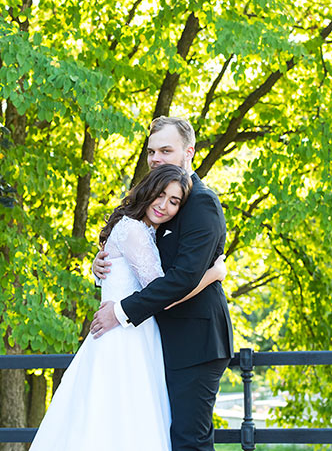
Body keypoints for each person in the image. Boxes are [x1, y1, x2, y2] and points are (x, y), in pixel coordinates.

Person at [29, 164, 226, 451]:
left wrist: (96, 271)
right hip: (127, 337)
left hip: (130, 332)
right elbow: (164, 292)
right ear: (148, 191)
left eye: (174, 202)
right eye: (160, 195)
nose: (164, 206)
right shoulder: (134, 231)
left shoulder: (138, 229)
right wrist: (213, 275)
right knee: (125, 421)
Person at [90, 116, 234, 451]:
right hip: (157, 341)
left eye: (166, 150)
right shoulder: (154, 204)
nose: (156, 158)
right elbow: (130, 256)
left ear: (189, 153)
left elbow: (181, 279)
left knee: (188, 441)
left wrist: (121, 311)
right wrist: (99, 266)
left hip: (196, 342)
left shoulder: (200, 201)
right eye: (151, 151)